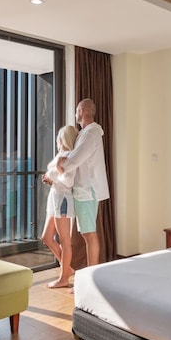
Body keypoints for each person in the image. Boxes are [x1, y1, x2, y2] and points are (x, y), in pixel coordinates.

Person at [58, 98, 109, 267]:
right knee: (87, 233)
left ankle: (91, 273)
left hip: (87, 190)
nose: (75, 115)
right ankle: (91, 271)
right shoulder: (86, 133)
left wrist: (61, 166)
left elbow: (76, 158)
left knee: (89, 234)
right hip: (84, 190)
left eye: (76, 112)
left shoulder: (91, 133)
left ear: (81, 111)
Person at [41, 125, 79, 289]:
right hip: (55, 199)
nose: (57, 140)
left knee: (65, 241)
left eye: (59, 138)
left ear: (63, 139)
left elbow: (68, 182)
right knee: (46, 237)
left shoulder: (69, 157)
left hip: (62, 200)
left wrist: (56, 170)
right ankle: (67, 269)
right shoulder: (61, 155)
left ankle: (64, 278)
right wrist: (50, 180)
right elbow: (57, 178)